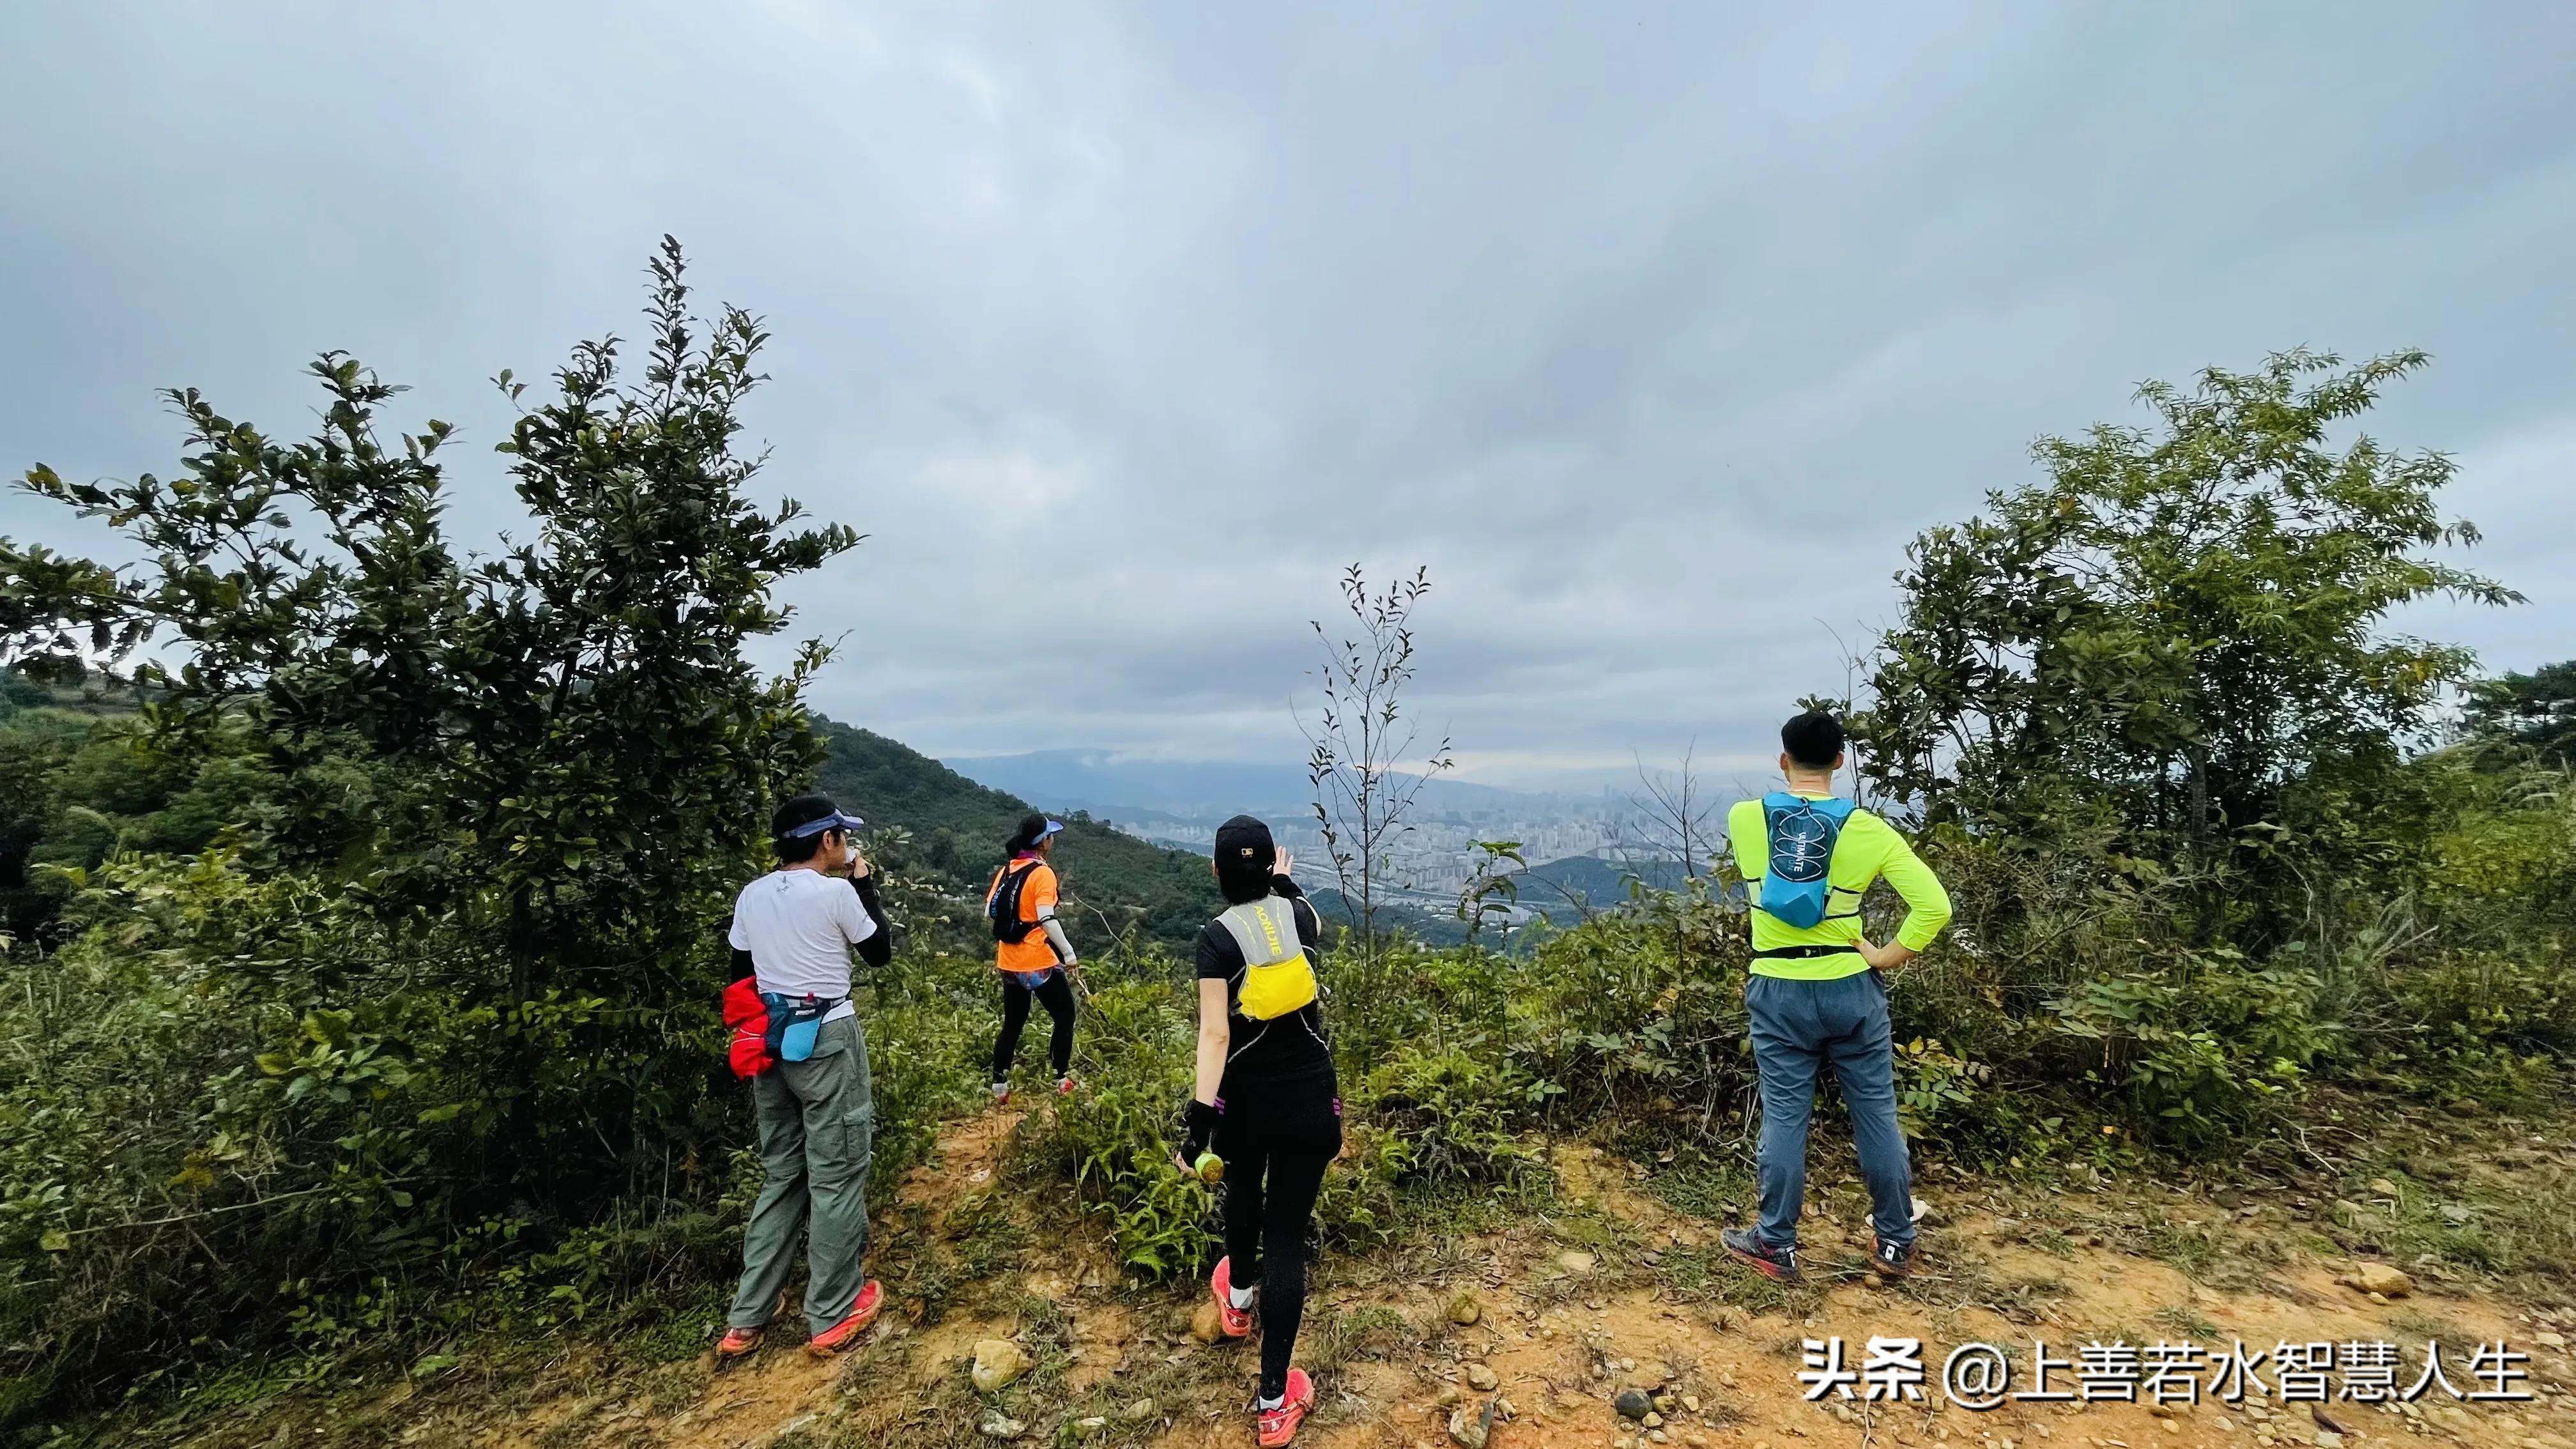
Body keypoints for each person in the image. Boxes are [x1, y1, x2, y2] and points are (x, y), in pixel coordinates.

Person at [1721, 710, 1952, 1285]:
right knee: (1875, 1111)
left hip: (1777, 987)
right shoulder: (1870, 830)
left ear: (1782, 761)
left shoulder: (1745, 818)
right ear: (1841, 763)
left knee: (1784, 1115)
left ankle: (1776, 1244)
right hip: (1851, 986)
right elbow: (1936, 907)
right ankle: (1896, 1242)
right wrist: (1884, 955)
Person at [1171, 815, 1337, 1448]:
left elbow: (1216, 1034)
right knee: (1288, 1237)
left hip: (1246, 1103)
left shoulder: (1215, 939)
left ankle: (1238, 1299)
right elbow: (1308, 919)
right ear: (1272, 868)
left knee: (1241, 1184)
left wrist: (1197, 1128)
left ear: (1215, 872)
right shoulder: (1299, 919)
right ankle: (1274, 1404)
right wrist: (1286, 886)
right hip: (1311, 1099)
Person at [717, 794, 895, 1360]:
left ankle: (748, 1315)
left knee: (783, 1174)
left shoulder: (752, 894)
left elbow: (740, 970)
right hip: (827, 1038)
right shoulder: (839, 892)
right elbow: (879, 953)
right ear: (828, 842)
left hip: (770, 1042)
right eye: (842, 836)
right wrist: (863, 884)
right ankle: (834, 1309)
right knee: (837, 1172)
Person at [986, 813, 1079, 1104]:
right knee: (1065, 1017)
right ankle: (1061, 1079)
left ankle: (999, 1086)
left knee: (1013, 1023)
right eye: (1051, 836)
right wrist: (1069, 954)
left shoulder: (1008, 870)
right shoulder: (1042, 873)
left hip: (1008, 961)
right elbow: (1047, 918)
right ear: (1044, 843)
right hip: (1037, 961)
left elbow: (990, 909)